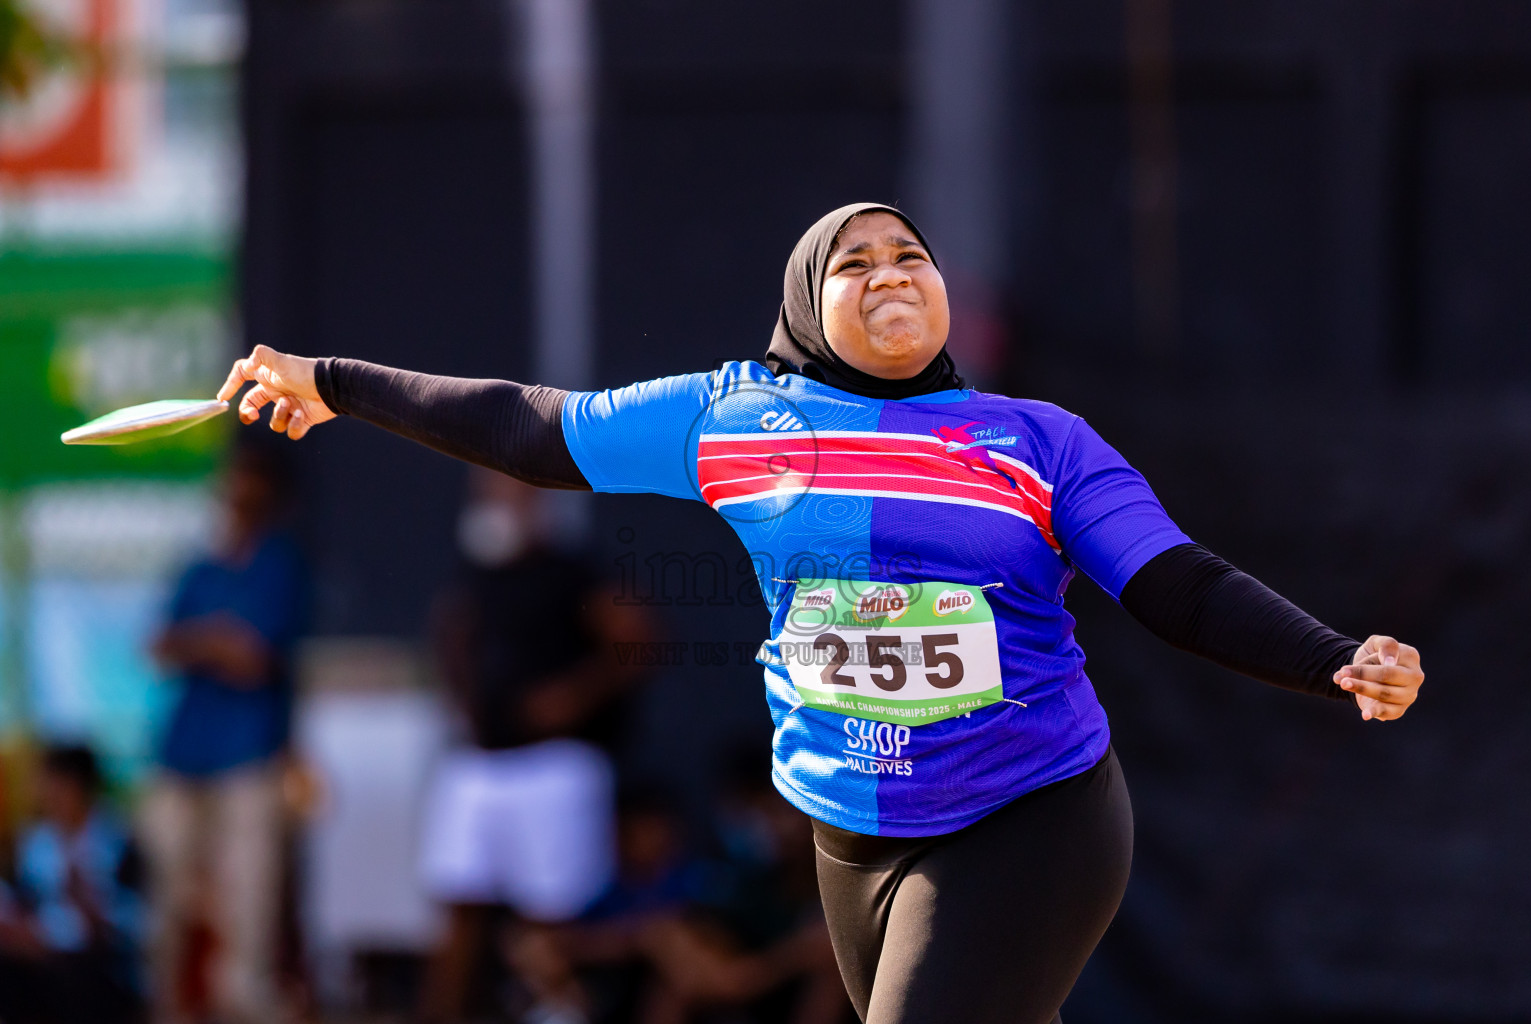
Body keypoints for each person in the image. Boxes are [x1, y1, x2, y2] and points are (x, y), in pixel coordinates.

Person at [214, 203, 1426, 1024]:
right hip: (849, 829)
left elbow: (1177, 583)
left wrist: (1328, 658)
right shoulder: (735, 416)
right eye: (857, 264)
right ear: (807, 301)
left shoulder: (1038, 440)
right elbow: (532, 428)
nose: (892, 274)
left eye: (911, 256)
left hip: (1029, 814)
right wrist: (337, 384)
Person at [417, 468, 653, 1023]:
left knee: (551, 911)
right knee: (458, 902)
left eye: (511, 491)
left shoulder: (573, 572)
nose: (498, 502)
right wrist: (462, 699)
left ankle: (557, 1008)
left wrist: (573, 695)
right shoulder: (475, 574)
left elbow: (638, 639)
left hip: (556, 765)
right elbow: (450, 630)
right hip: (479, 763)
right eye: (488, 492)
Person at [142, 444, 309, 1024]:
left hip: (250, 754)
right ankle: (171, 1005)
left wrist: (201, 641)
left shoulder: (279, 565)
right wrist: (214, 639)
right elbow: (159, 646)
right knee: (171, 892)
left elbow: (253, 658)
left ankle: (243, 1003)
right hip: (182, 753)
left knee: (248, 900)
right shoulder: (199, 566)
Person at [0, 744, 145, 1024]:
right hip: (40, 952)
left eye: (57, 788)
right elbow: (24, 901)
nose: (48, 798)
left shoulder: (117, 842)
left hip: (97, 967)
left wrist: (89, 907)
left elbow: (133, 926)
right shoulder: (38, 842)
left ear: (81, 788)